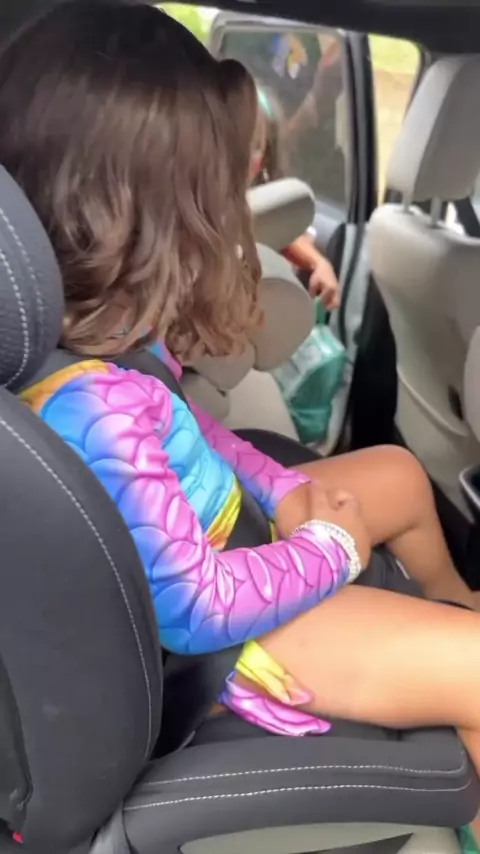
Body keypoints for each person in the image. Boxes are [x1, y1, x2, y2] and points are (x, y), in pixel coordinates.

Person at [5, 0, 480, 788]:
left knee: (398, 473)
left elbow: (202, 434)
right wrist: (330, 549)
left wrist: (283, 491)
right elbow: (195, 610)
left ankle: (455, 600)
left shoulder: (110, 345)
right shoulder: (89, 406)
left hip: (226, 539)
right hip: (229, 641)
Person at [251, 81, 340, 309]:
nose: (237, 155)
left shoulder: (261, 202)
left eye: (253, 146)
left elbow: (277, 228)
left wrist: (318, 263)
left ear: (264, 159)